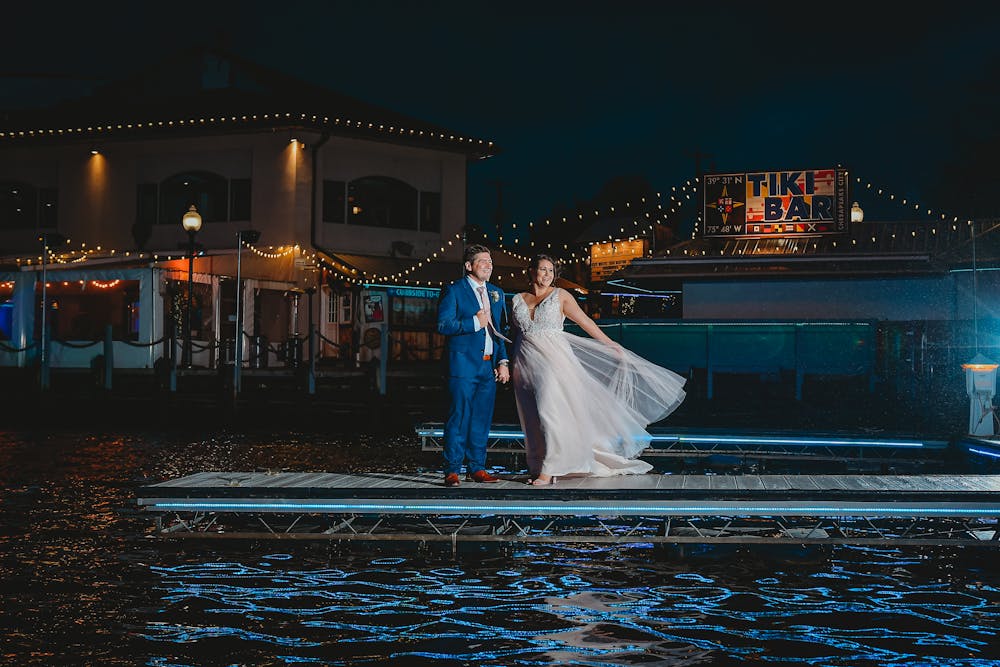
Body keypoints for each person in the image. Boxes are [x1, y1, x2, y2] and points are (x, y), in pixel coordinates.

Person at [510, 254, 686, 485]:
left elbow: (585, 322)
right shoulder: (517, 299)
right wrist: (506, 363)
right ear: (531, 271)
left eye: (551, 271)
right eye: (542, 269)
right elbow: (515, 332)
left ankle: (549, 468)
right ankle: (537, 464)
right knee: (531, 416)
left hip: (554, 361)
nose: (547, 274)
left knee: (549, 412)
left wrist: (609, 344)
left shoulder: (560, 296)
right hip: (524, 362)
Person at [437, 244, 511, 487]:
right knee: (459, 417)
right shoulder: (454, 290)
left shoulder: (496, 293)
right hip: (462, 366)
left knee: (481, 419)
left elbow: (499, 331)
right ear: (469, 266)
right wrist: (474, 322)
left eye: (490, 261)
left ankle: (477, 468)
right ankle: (452, 469)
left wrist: (503, 361)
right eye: (483, 261)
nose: (489, 265)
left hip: (487, 367)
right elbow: (443, 325)